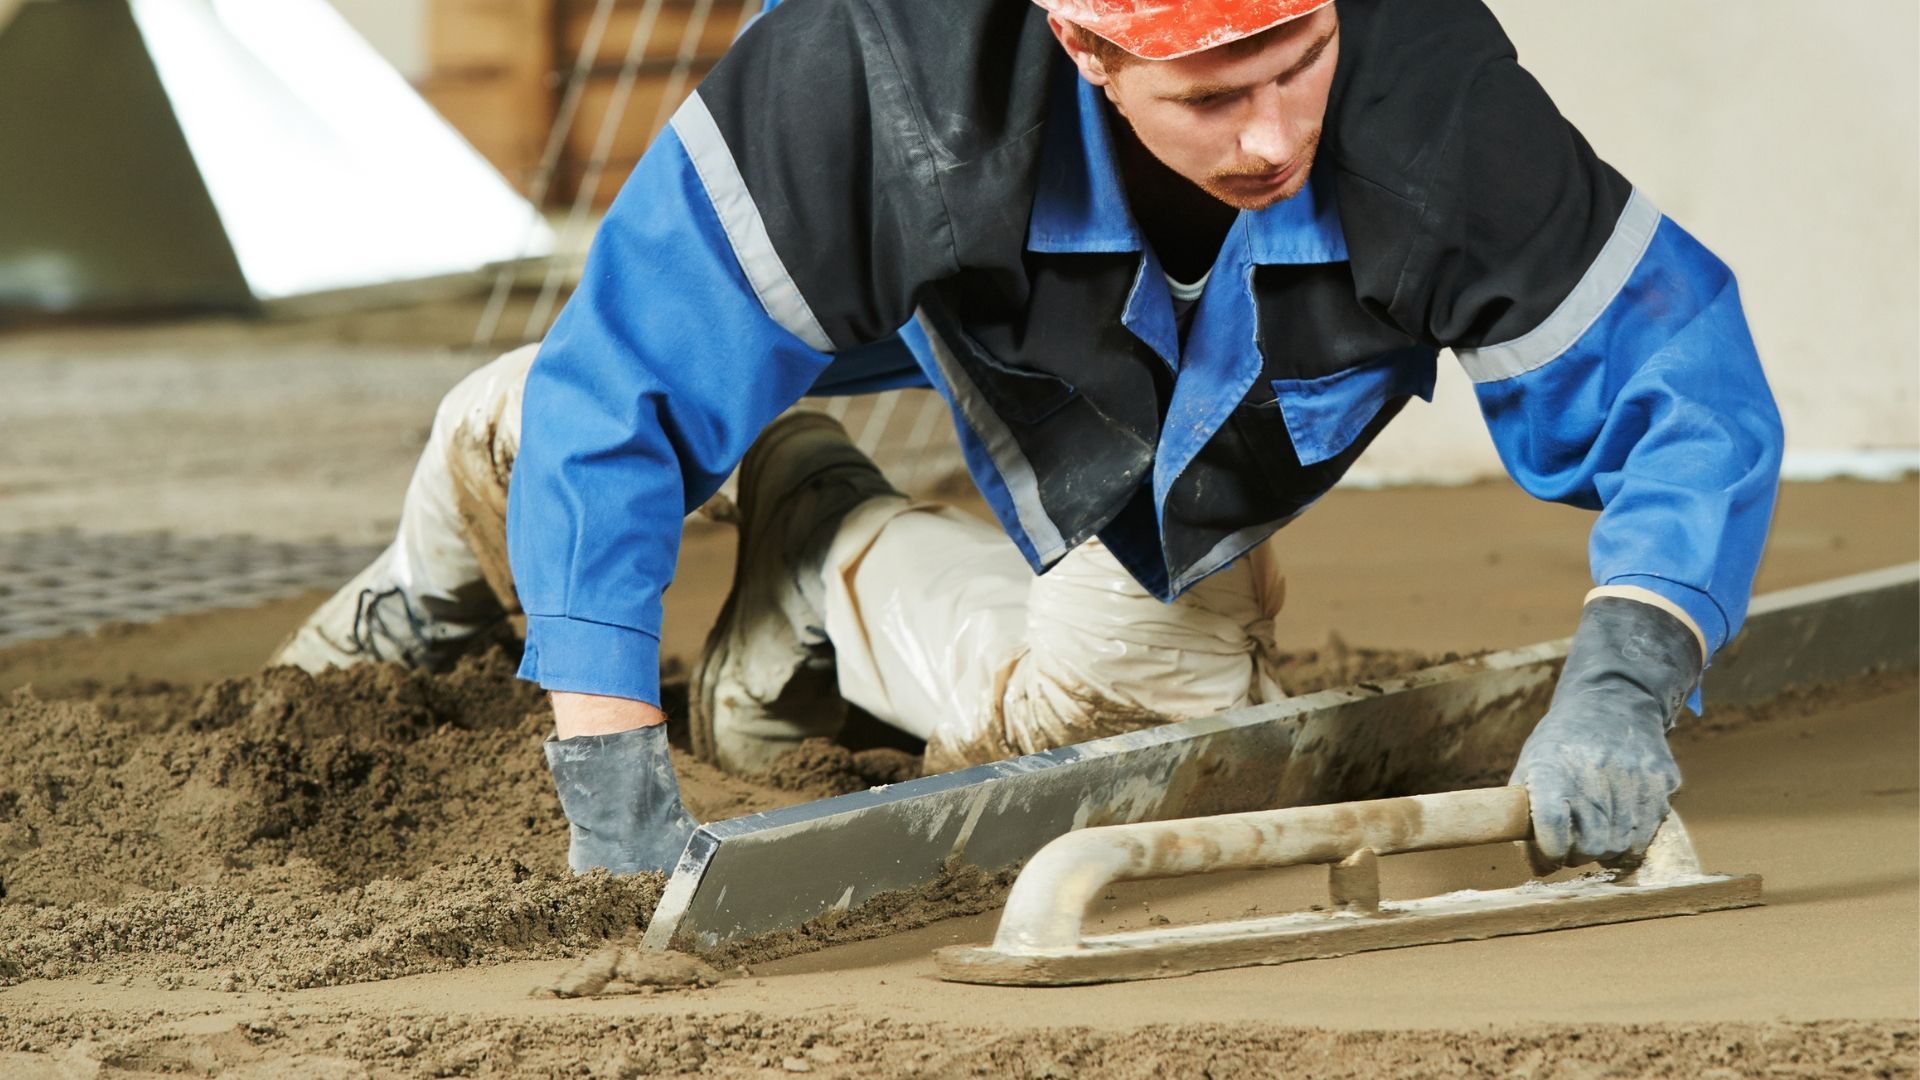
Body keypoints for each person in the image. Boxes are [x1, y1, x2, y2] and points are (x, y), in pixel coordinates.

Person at [275, 0, 1782, 879]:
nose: (1271, 136)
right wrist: (607, 755)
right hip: (918, 270)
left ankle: (817, 550)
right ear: (1084, 41)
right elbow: (633, 389)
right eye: (1212, 90)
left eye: (1296, 60)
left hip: (1168, 400)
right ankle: (455, 522)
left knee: (1144, 721)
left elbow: (1683, 377)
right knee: (576, 422)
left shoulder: (1431, 100)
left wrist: (1630, 671)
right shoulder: (869, 71)